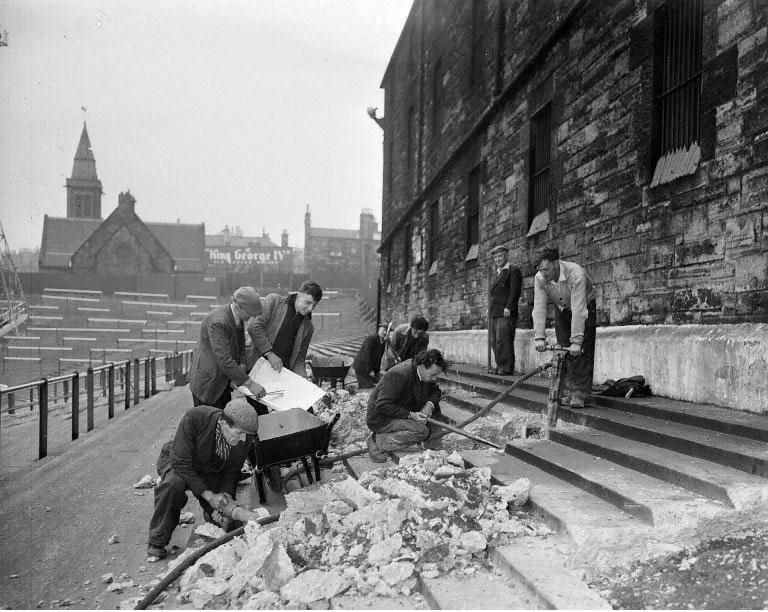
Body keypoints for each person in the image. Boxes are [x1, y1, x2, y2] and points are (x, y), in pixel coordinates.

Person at [146, 398, 259, 559]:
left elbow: (232, 472)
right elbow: (181, 462)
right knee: (173, 485)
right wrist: (209, 496)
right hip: (181, 462)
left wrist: (224, 497)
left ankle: (211, 513)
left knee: (228, 523)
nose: (242, 439)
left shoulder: (244, 438)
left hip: (211, 469)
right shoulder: (196, 417)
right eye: (239, 433)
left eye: (246, 435)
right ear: (223, 423)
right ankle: (157, 539)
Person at [532, 247, 596, 408]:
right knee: (563, 349)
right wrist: (539, 337)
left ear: (555, 264)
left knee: (581, 350)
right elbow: (539, 308)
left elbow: (579, 310)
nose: (543, 273)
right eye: (540, 270)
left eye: (546, 269)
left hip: (584, 305)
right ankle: (568, 391)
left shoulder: (576, 274)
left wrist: (576, 341)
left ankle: (581, 393)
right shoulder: (540, 278)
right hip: (561, 306)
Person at [246, 280, 323, 413]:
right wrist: (269, 354)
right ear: (299, 295)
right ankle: (257, 434)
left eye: (314, 306)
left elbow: (299, 358)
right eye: (308, 303)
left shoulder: (308, 328)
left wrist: (303, 379)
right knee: (259, 414)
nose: (310, 309)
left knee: (302, 410)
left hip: (282, 373)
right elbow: (254, 326)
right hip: (257, 370)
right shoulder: (274, 302)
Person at [365, 349, 449, 462]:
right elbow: (382, 405)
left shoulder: (423, 373)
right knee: (421, 431)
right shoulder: (399, 374)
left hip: (402, 408)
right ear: (422, 366)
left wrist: (429, 405)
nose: (434, 378)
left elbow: (435, 391)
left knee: (434, 407)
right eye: (433, 374)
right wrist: (411, 415)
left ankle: (433, 448)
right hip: (382, 418)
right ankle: (378, 439)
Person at [189, 287, 266, 408]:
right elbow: (224, 359)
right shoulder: (218, 322)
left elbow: (241, 347)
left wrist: (242, 365)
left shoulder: (237, 317)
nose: (250, 318)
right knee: (209, 423)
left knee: (222, 420)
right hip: (208, 385)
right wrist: (250, 384)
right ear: (238, 306)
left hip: (223, 381)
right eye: (249, 314)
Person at [488, 244, 522, 376]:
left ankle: (506, 367)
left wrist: (509, 307)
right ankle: (499, 365)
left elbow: (515, 291)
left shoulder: (513, 271)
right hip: (495, 312)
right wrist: (489, 309)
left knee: (503, 340)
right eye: (495, 257)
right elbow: (494, 294)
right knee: (494, 341)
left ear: (506, 256)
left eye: (500, 256)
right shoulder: (497, 273)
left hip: (505, 312)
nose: (498, 259)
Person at [352, 323, 388, 389]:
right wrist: (370, 370)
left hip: (370, 369)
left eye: (386, 331)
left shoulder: (383, 342)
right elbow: (366, 355)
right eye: (383, 330)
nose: (385, 332)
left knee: (379, 382)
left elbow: (379, 358)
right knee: (368, 386)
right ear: (378, 330)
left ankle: (370, 378)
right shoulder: (371, 338)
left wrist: (377, 372)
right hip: (362, 367)